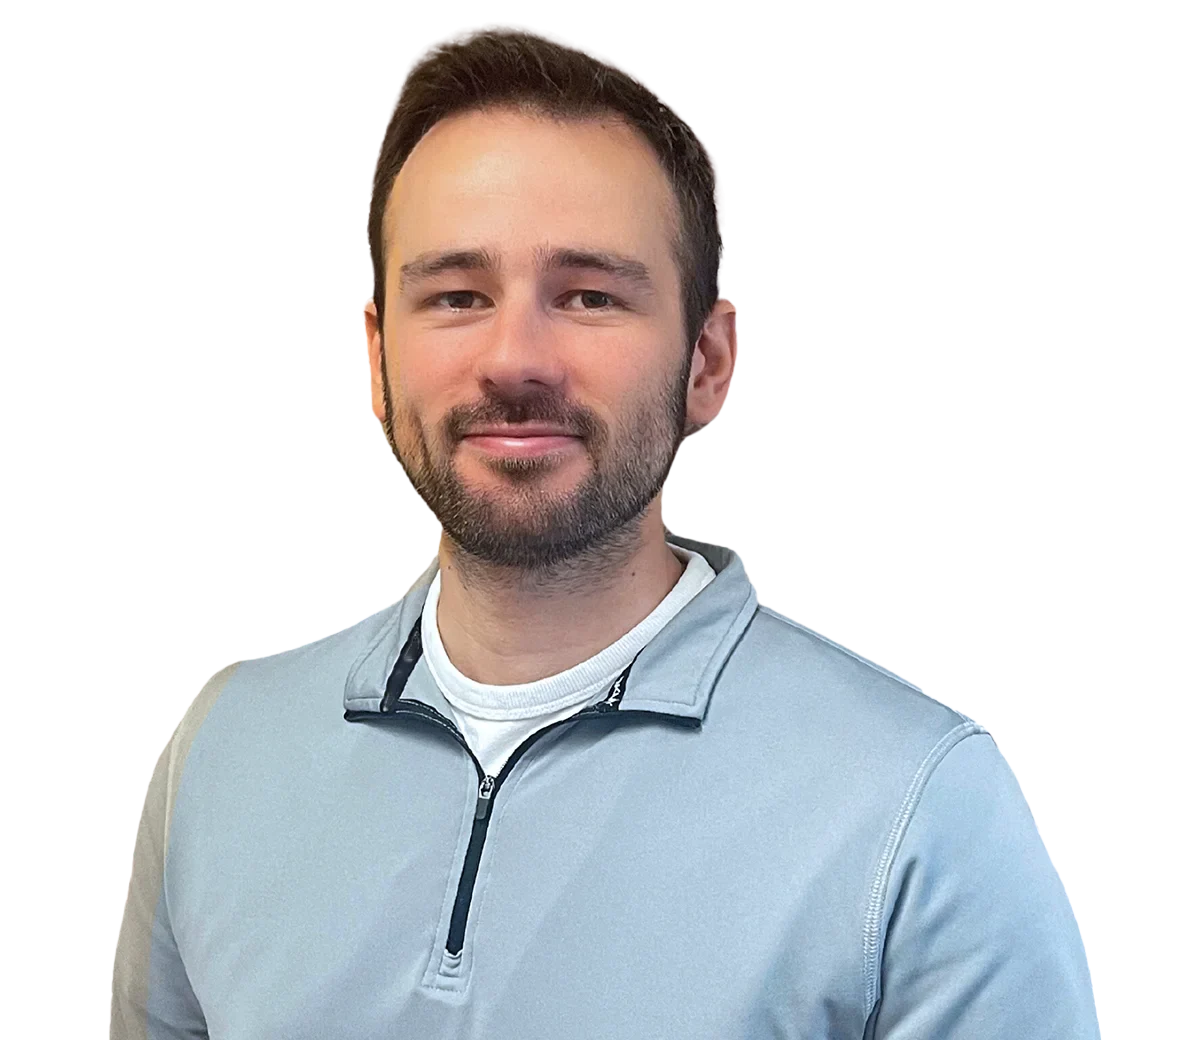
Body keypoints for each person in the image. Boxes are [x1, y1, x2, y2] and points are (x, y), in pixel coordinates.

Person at [109, 19, 1102, 1040]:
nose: (513, 358)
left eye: (588, 296)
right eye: (456, 295)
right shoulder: (220, 753)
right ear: (376, 356)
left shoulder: (920, 804)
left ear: (709, 363)